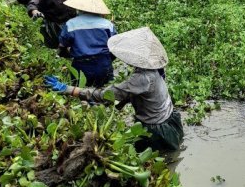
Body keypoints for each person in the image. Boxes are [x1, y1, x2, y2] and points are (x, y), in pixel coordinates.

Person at [45, 27, 184, 152]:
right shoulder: (156, 68)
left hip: (157, 130)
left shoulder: (142, 78)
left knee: (151, 162)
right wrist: (117, 103)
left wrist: (68, 89)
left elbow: (107, 94)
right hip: (170, 119)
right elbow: (135, 94)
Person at [58, 0, 116, 87]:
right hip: (103, 65)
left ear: (80, 7)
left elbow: (62, 48)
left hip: (81, 65)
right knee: (104, 95)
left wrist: (69, 55)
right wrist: (107, 60)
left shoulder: (71, 24)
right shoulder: (108, 25)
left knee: (80, 94)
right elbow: (115, 49)